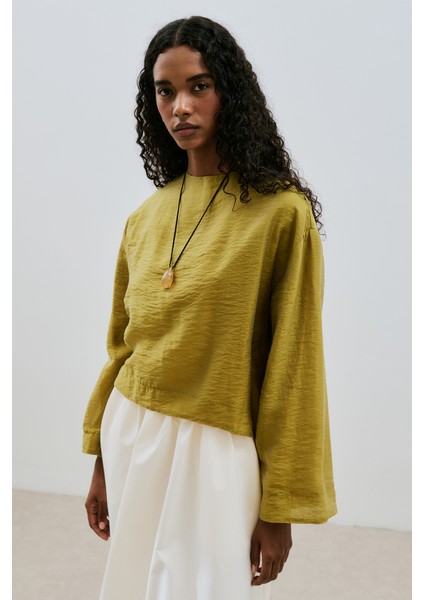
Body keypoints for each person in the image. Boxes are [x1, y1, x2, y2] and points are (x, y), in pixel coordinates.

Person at [83, 15, 337, 600]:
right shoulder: (145, 217)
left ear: (230, 92)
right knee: (130, 587)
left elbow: (294, 364)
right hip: (132, 432)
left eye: (199, 86)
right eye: (165, 91)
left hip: (219, 447)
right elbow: (122, 346)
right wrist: (100, 457)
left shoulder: (281, 214)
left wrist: (280, 506)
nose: (180, 107)